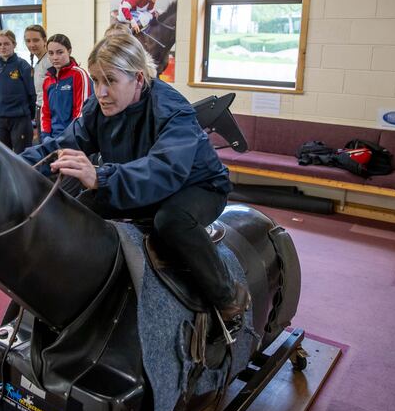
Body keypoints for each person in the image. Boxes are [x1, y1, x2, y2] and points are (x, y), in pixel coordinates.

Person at [21, 33, 247, 330]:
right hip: (136, 180)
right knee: (76, 211)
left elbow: (164, 170)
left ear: (138, 79)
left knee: (171, 220)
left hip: (197, 186)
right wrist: (14, 165)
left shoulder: (172, 109)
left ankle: (228, 296)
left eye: (110, 81)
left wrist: (99, 176)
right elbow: (63, 145)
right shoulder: (97, 108)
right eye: (96, 80)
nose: (100, 92)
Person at [0, 29, 36, 153]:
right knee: (1, 157)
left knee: (23, 157)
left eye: (6, 44)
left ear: (14, 45)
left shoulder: (23, 66)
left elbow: (32, 94)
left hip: (20, 120)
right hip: (0, 120)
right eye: (0, 44)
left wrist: (26, 113)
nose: (3, 47)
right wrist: (0, 109)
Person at [41, 34, 93, 140]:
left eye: (60, 52)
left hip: (73, 136)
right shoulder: (47, 80)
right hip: (52, 137)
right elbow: (45, 112)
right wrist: (45, 135)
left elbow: (82, 110)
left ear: (69, 51)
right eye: (51, 53)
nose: (55, 57)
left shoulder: (79, 74)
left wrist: (70, 136)